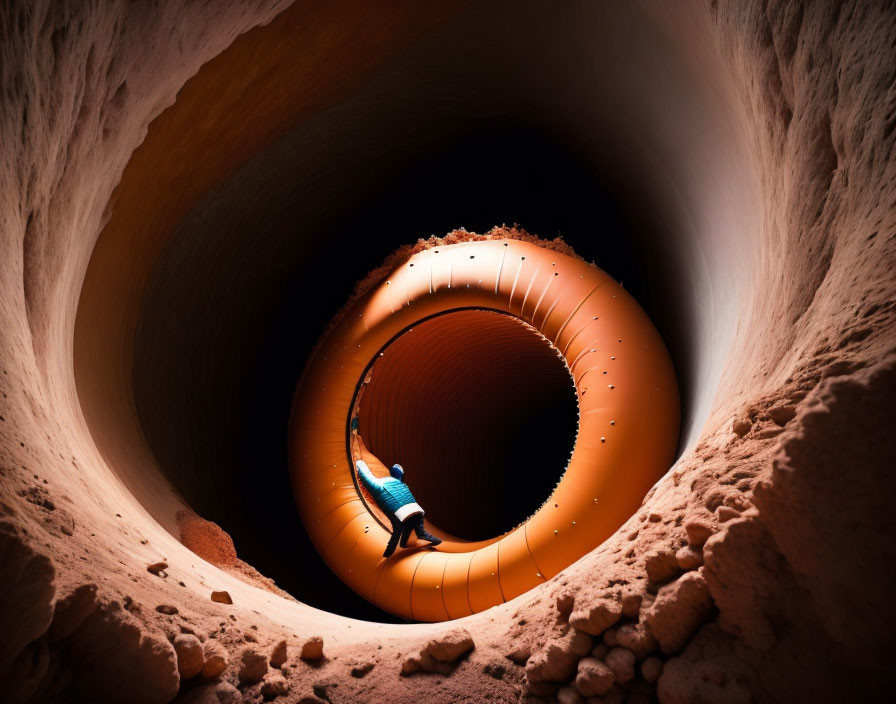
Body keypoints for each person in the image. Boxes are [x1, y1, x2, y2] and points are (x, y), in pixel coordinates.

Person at [355, 459, 442, 557]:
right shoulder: (400, 483)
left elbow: (366, 478)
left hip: (400, 513)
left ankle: (387, 555)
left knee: (398, 530)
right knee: (416, 529)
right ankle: (430, 541)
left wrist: (359, 464)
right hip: (417, 510)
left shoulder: (378, 485)